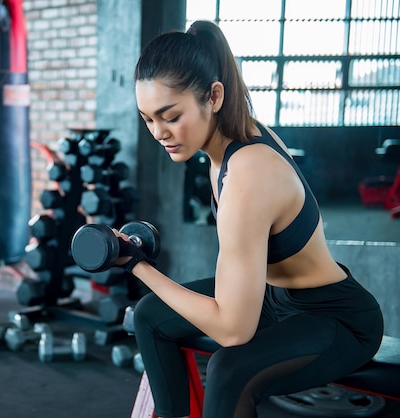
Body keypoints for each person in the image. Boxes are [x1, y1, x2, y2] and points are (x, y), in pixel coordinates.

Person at [112, 20, 384, 418]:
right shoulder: (223, 145)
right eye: (148, 118)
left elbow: (232, 329)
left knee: (229, 370)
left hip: (334, 318)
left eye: (170, 116)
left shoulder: (249, 171)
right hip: (275, 299)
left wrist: (136, 265)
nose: (159, 132)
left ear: (214, 96)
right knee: (151, 315)